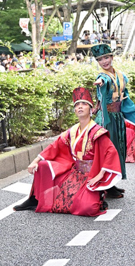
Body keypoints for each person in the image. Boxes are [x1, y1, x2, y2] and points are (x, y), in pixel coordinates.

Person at [13, 88, 121, 216]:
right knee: (42, 166)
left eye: (84, 104)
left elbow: (110, 152)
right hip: (74, 172)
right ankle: (35, 200)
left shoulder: (98, 132)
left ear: (91, 110)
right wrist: (35, 161)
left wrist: (100, 175)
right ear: (75, 110)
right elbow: (54, 147)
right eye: (77, 105)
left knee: (88, 208)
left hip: (91, 175)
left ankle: (99, 195)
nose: (80, 107)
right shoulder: (72, 131)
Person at [92, 43, 135, 198]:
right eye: (100, 59)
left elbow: (126, 97)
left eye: (106, 57)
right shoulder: (102, 76)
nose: (104, 61)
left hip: (117, 117)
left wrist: (133, 116)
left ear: (112, 57)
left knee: (118, 150)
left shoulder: (121, 75)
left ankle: (112, 183)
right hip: (106, 119)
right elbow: (103, 81)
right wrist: (101, 84)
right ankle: (105, 185)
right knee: (107, 151)